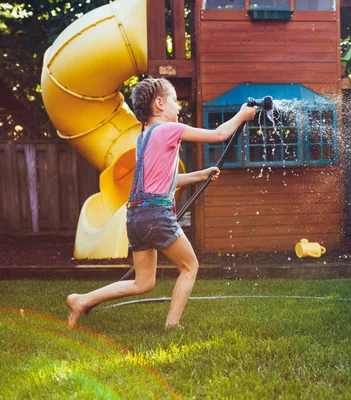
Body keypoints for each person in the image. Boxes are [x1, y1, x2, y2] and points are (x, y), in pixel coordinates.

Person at [66, 77, 257, 328]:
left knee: (143, 283)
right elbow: (220, 134)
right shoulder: (169, 130)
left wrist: (199, 175)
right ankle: (172, 325)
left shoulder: (143, 137)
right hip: (156, 215)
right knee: (190, 266)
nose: (179, 107)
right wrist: (242, 115)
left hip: (135, 215)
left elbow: (162, 181)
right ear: (159, 104)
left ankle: (82, 300)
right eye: (175, 101)